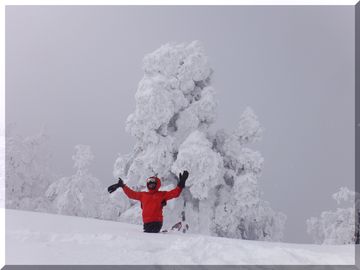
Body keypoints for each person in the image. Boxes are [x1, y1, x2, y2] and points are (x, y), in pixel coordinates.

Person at [107, 170, 189, 233]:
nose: (151, 186)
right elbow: (131, 194)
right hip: (147, 223)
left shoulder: (161, 195)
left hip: (157, 222)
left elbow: (174, 193)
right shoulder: (143, 195)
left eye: (153, 184)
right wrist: (122, 186)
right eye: (149, 184)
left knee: (151, 234)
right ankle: (163, 233)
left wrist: (181, 184)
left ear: (157, 185)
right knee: (148, 234)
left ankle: (161, 234)